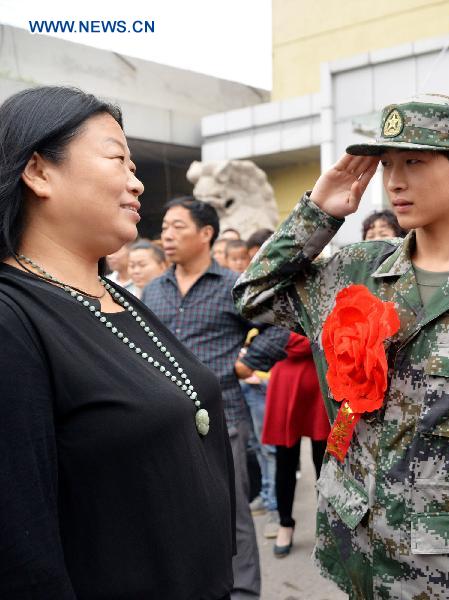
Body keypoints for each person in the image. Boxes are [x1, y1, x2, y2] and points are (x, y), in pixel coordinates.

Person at [234, 94, 449, 599]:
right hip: (361, 555)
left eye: (415, 161)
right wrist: (319, 213)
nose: (394, 180)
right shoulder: (355, 272)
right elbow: (253, 295)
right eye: (388, 163)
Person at [0, 86, 234, 599]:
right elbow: (20, 548)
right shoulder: (12, 318)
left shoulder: (115, 296)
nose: (137, 182)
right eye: (118, 160)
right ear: (38, 172)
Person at [143, 197, 289, 600]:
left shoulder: (233, 286)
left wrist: (247, 363)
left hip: (221, 412)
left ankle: (242, 590)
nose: (167, 236)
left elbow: (281, 328)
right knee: (175, 508)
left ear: (206, 233)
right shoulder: (153, 290)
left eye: (177, 227)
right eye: (165, 227)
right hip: (164, 420)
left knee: (232, 510)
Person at [262, 331, 330, 558]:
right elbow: (272, 338)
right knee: (285, 460)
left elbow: (323, 334)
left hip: (321, 378)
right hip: (287, 381)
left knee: (325, 465)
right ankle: (285, 523)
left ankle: (327, 527)